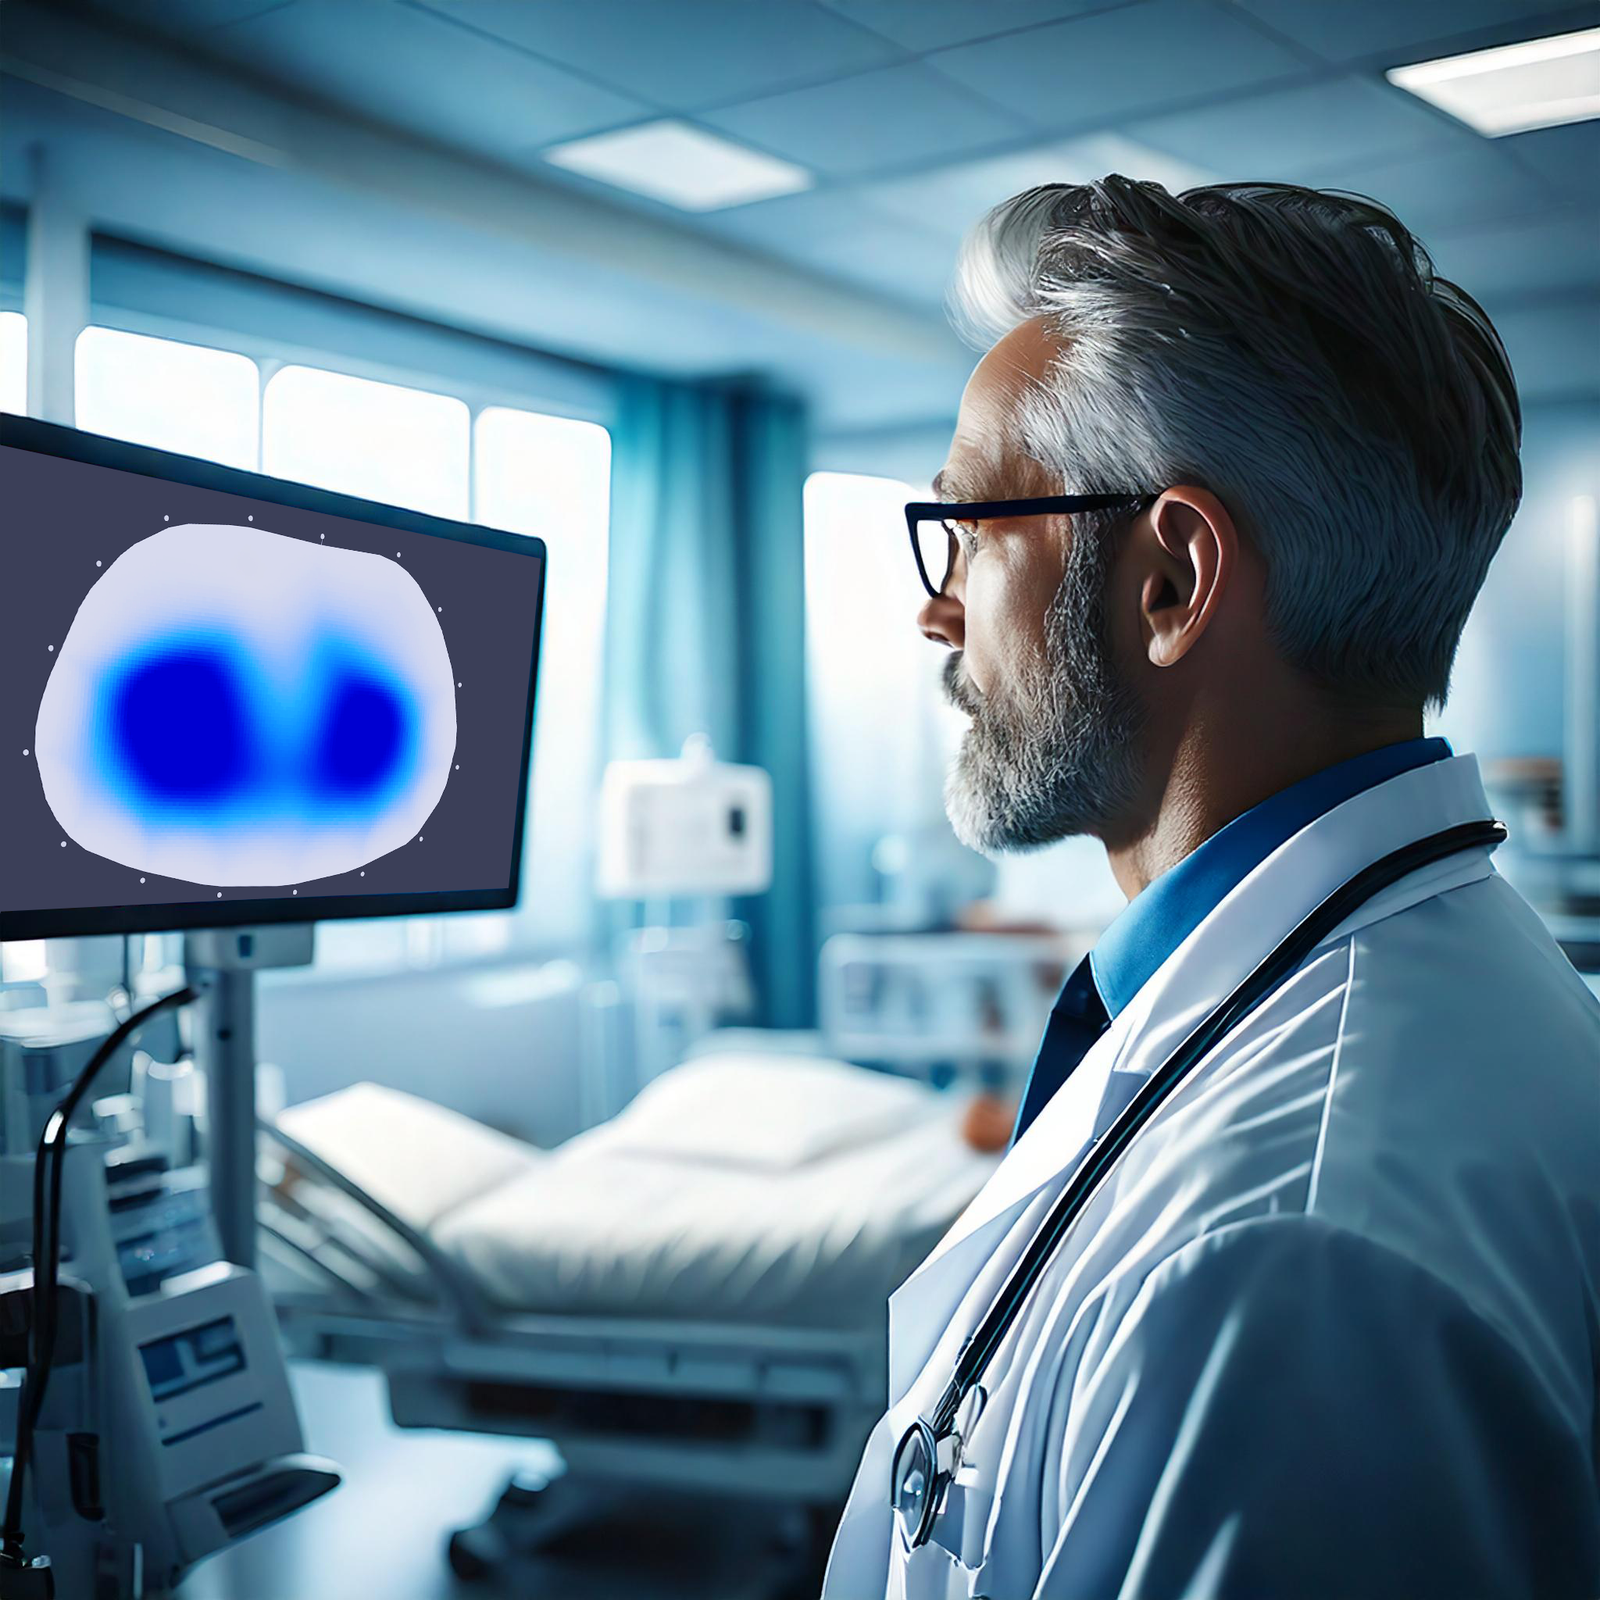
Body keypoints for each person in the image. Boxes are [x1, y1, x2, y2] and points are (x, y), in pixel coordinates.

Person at [822, 178, 1600, 1599]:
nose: (935, 609)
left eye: (973, 532)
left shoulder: (1285, 1260)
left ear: (1173, 578)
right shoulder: (1410, 1002)